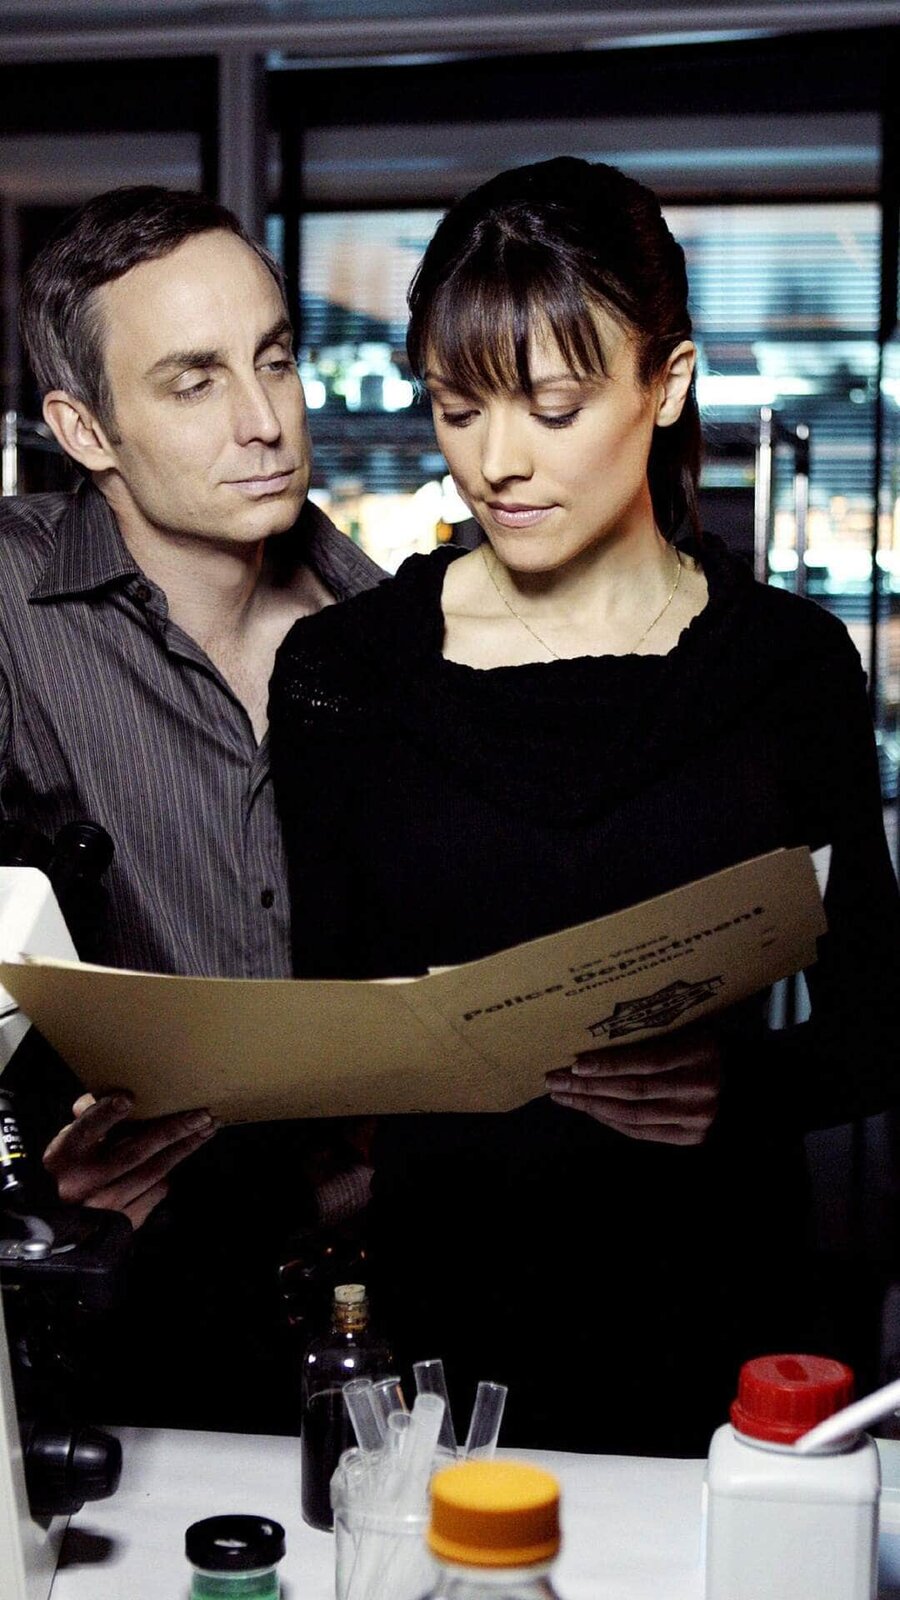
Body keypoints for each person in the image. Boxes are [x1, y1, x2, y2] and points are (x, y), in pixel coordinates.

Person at [268, 157, 900, 1455]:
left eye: (554, 408)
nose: (496, 463)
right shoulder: (344, 674)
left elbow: (883, 1018)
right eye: (456, 409)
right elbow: (323, 1014)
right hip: (443, 1313)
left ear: (668, 384)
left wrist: (733, 1086)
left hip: (721, 1315)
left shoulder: (786, 669)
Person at [0, 185, 382, 1428]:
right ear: (85, 428)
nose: (264, 421)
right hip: (116, 1320)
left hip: (374, 1299)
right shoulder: (8, 611)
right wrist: (16, 1182)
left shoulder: (393, 626)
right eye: (193, 381)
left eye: (274, 359)